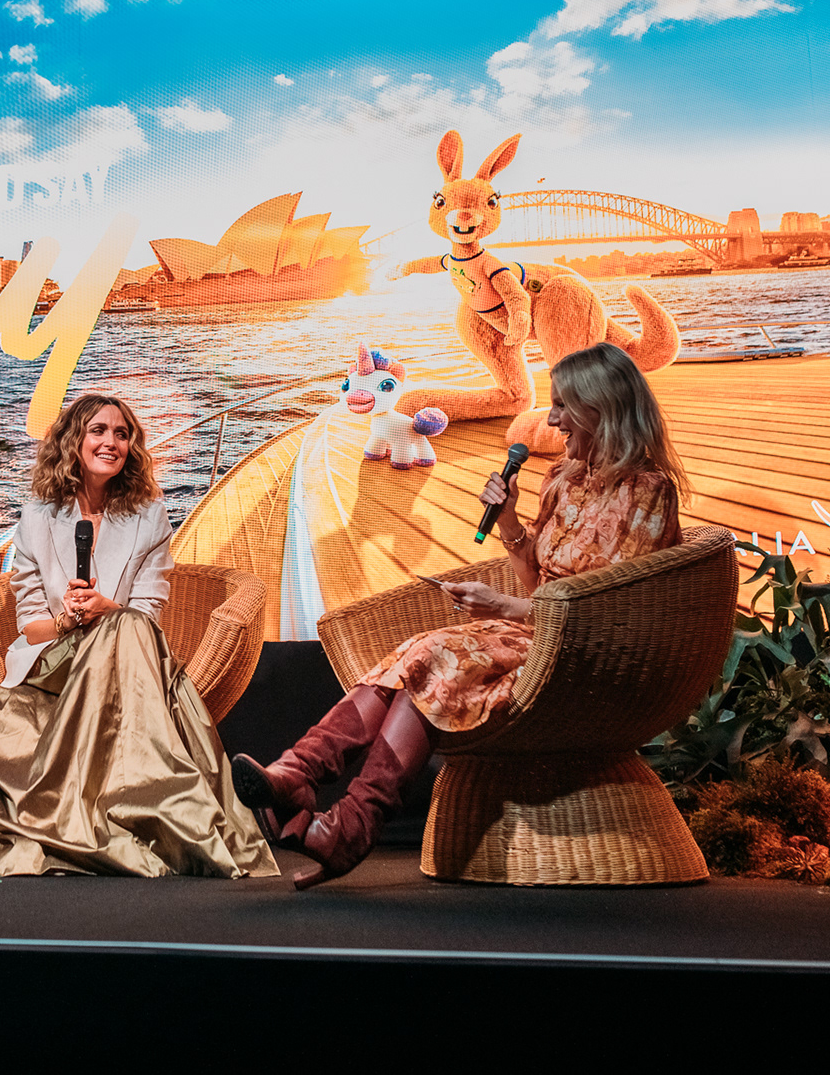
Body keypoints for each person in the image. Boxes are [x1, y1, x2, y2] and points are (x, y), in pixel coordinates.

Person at [233, 342, 688, 888]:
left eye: (563, 406)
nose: (552, 420)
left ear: (603, 408)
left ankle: (335, 808)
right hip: (533, 635)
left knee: (433, 655)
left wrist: (504, 606)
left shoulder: (649, 493)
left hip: (584, 656)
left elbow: (609, 613)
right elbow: (540, 581)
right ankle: (307, 783)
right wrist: (509, 519)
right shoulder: (565, 479)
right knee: (417, 655)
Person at [0, 394, 279, 878]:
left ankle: (155, 814)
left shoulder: (149, 516)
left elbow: (147, 614)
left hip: (127, 652)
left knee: (126, 625)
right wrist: (67, 620)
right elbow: (31, 625)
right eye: (99, 431)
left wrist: (107, 610)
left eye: (122, 434)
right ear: (73, 441)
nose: (111, 442)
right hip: (56, 659)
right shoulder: (38, 516)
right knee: (122, 630)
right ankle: (170, 815)